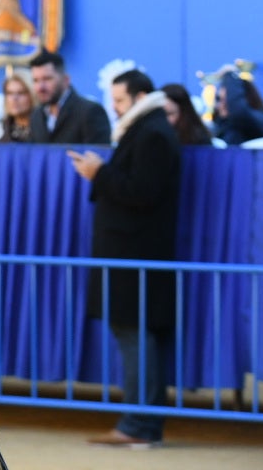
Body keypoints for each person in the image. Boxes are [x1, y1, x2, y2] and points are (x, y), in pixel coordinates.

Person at [68, 69, 181, 449]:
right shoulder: (149, 130)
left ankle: (139, 424)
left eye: (119, 101)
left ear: (140, 96)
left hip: (136, 256)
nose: (114, 109)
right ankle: (139, 422)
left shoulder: (152, 133)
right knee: (134, 336)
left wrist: (99, 173)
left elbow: (142, 192)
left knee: (136, 336)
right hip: (132, 255)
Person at [27, 50, 111, 144]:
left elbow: (98, 156)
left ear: (66, 79)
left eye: (47, 79)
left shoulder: (90, 112)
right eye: (36, 80)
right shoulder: (36, 116)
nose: (40, 87)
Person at [210, 67, 263, 145]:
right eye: (219, 99)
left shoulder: (262, 121)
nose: (220, 106)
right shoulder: (220, 127)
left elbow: (239, 113)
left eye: (227, 100)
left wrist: (230, 75)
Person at [0, 74, 35, 144]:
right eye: (9, 93)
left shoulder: (45, 127)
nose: (14, 99)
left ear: (33, 95)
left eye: (21, 93)